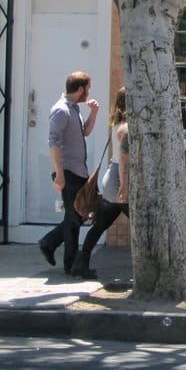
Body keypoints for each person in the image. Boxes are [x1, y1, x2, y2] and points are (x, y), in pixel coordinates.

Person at [38, 71, 100, 274]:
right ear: (80, 89)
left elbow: (85, 132)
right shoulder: (61, 110)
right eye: (88, 88)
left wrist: (94, 113)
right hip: (69, 172)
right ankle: (72, 266)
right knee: (74, 219)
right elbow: (53, 143)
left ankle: (50, 242)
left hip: (77, 171)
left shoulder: (74, 109)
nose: (89, 92)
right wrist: (59, 174)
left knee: (77, 216)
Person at [72, 86, 130, 279]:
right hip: (119, 179)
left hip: (112, 179)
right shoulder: (126, 127)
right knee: (144, 224)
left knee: (100, 225)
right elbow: (123, 160)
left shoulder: (117, 123)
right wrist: (124, 185)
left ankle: (81, 263)